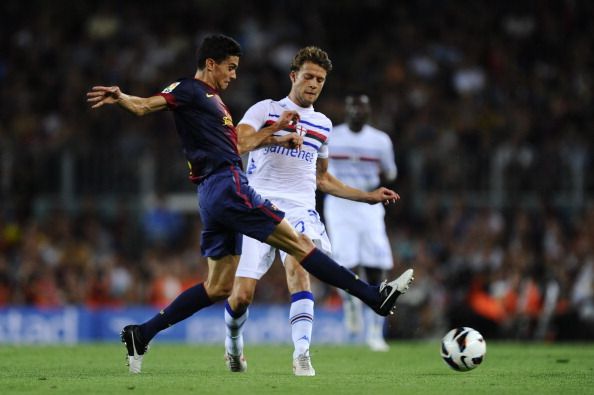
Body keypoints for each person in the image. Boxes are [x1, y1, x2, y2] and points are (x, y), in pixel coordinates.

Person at [86, 34, 414, 374]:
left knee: (219, 287)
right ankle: (373, 296)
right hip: (230, 185)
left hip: (211, 193)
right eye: (230, 67)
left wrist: (276, 136)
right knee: (299, 246)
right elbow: (145, 106)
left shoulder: (215, 102)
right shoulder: (191, 90)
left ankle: (142, 333)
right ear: (210, 64)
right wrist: (122, 97)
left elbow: (242, 145)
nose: (234, 75)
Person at [224, 47, 411, 376]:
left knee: (299, 271)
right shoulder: (266, 109)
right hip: (258, 206)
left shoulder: (323, 125)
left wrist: (366, 196)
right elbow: (237, 144)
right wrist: (276, 134)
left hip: (300, 209)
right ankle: (234, 342)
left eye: (320, 79)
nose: (313, 84)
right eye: (308, 76)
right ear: (293, 76)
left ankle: (302, 354)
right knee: (241, 297)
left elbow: (322, 178)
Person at [324, 94, 399, 352]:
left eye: (362, 107)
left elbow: (391, 172)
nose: (357, 111)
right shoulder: (331, 135)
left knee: (376, 265)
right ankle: (350, 302)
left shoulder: (380, 140)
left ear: (369, 111)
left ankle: (376, 332)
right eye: (353, 106)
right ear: (345, 109)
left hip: (369, 204)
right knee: (345, 264)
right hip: (340, 202)